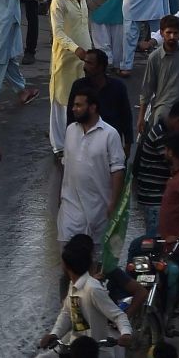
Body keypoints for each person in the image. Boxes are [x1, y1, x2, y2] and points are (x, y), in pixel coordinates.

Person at [58, 86, 126, 243]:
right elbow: (65, 164)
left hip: (99, 211)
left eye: (79, 105)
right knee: (68, 258)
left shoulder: (110, 134)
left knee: (94, 262)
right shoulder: (70, 130)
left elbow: (117, 171)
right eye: (74, 105)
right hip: (70, 209)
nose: (74, 109)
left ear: (93, 107)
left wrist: (113, 204)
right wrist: (59, 196)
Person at [49, 0, 94, 155]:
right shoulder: (58, 1)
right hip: (66, 60)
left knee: (81, 101)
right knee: (61, 101)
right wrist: (76, 49)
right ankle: (59, 146)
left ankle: (78, 141)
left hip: (84, 60)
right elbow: (57, 32)